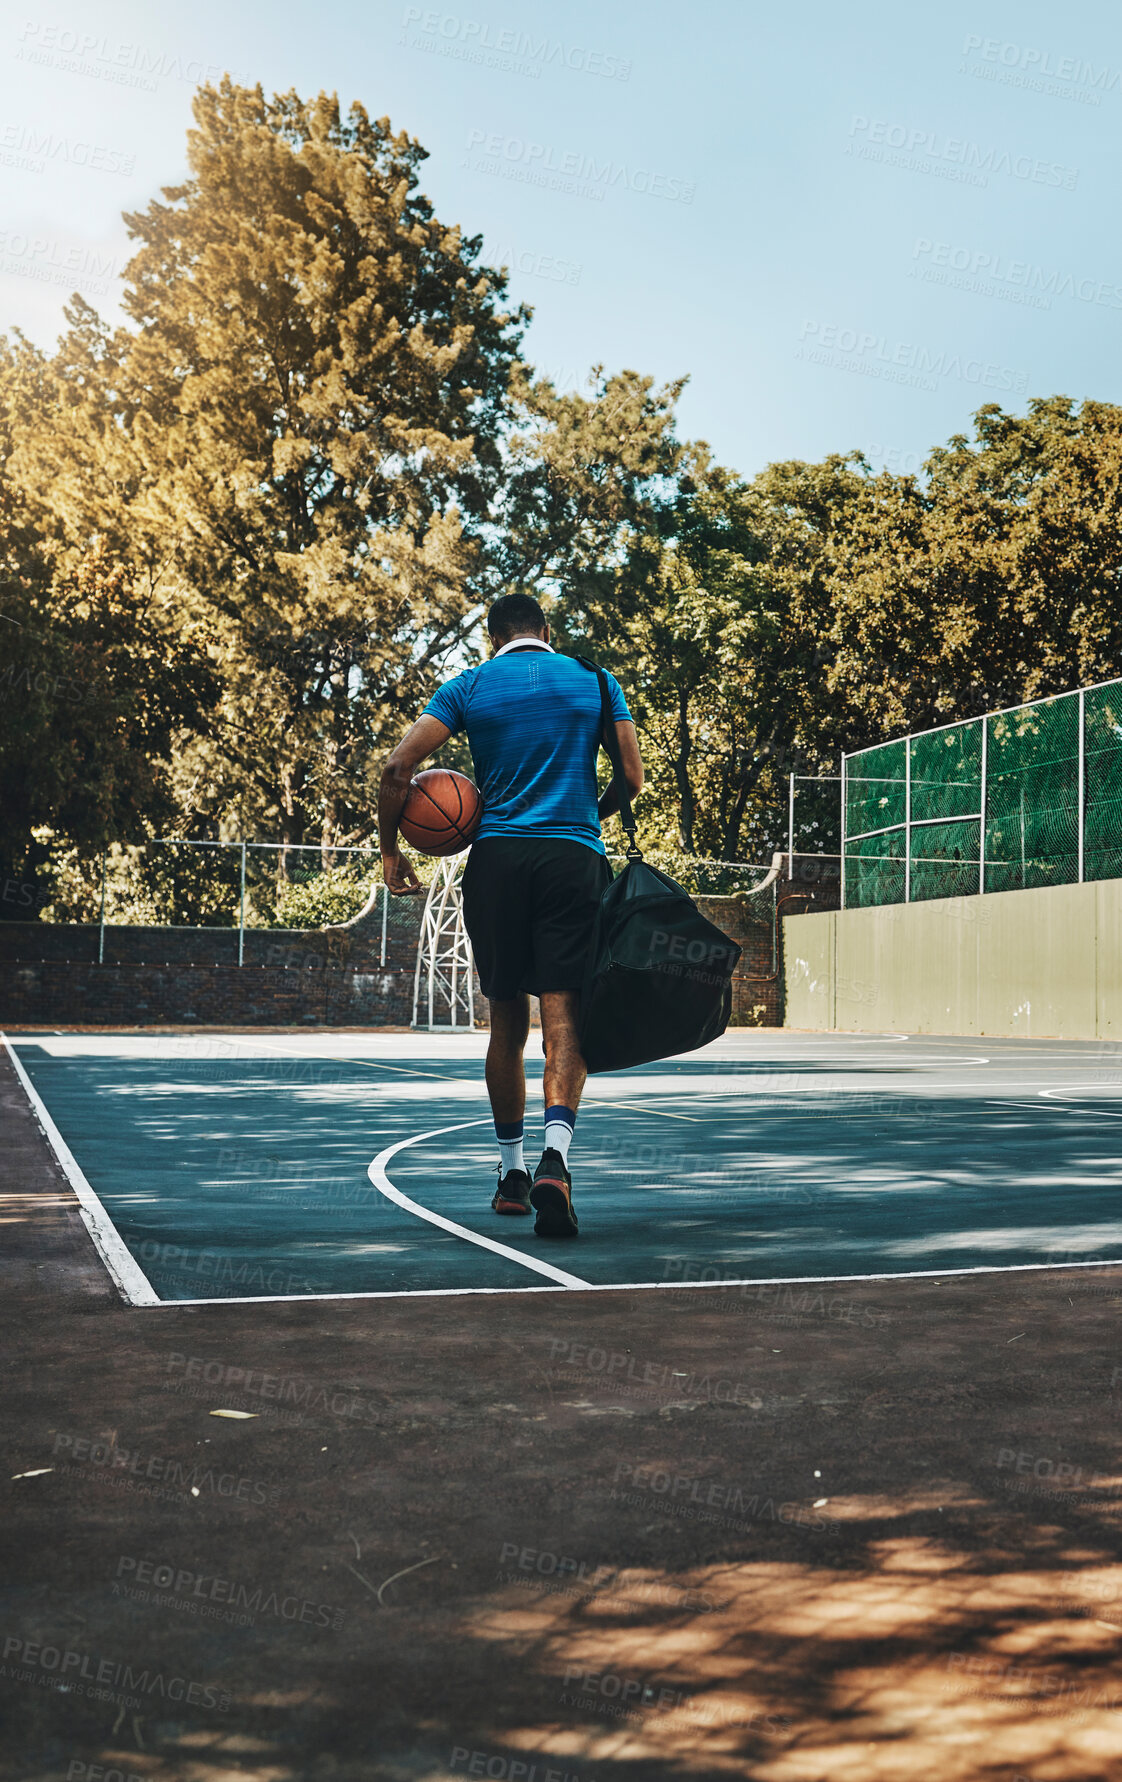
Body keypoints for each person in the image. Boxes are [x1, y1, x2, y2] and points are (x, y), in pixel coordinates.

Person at [378, 593, 643, 1238]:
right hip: (571, 861)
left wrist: (391, 854)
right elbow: (632, 779)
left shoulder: (468, 686)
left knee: (506, 1020)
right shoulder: (597, 680)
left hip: (496, 863)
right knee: (563, 1014)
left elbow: (397, 767)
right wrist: (583, 822)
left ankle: (512, 1173)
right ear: (547, 632)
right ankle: (557, 1160)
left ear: (493, 640)